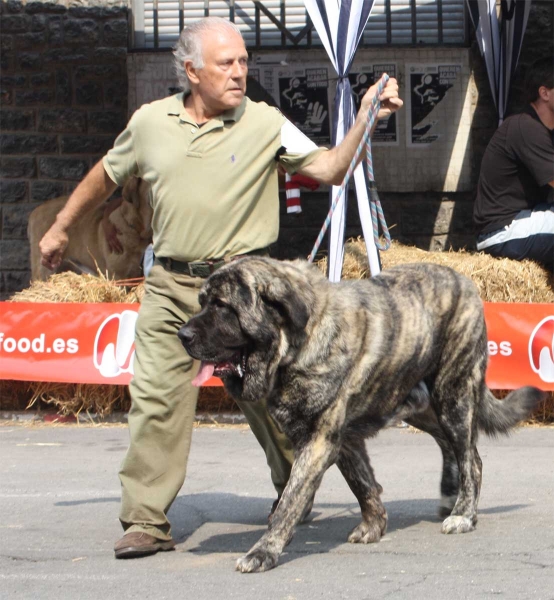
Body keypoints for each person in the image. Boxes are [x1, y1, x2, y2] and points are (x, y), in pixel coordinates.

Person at [39, 17, 403, 559]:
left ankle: (293, 486)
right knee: (157, 400)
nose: (239, 72)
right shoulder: (149, 123)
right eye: (225, 63)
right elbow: (107, 176)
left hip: (243, 294)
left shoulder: (267, 122)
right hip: (171, 283)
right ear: (190, 70)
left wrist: (367, 116)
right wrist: (63, 224)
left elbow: (329, 168)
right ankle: (145, 519)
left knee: (275, 403)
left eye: (243, 61)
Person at [473, 57, 554, 271]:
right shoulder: (525, 127)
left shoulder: (544, 130)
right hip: (501, 231)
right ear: (544, 93)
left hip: (525, 219)